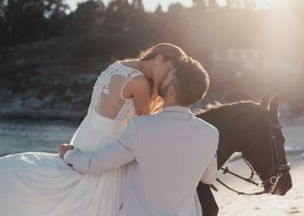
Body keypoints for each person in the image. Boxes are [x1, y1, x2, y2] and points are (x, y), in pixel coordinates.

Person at [0, 43, 188, 216]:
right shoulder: (140, 83)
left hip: (88, 133)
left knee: (74, 187)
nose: (168, 77)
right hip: (107, 141)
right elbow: (147, 125)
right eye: (170, 70)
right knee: (97, 198)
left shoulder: (120, 65)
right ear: (159, 58)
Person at [59, 57, 219, 216]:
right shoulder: (210, 133)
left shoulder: (141, 127)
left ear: (171, 90)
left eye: (168, 75)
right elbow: (209, 178)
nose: (162, 78)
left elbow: (96, 164)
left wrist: (69, 153)